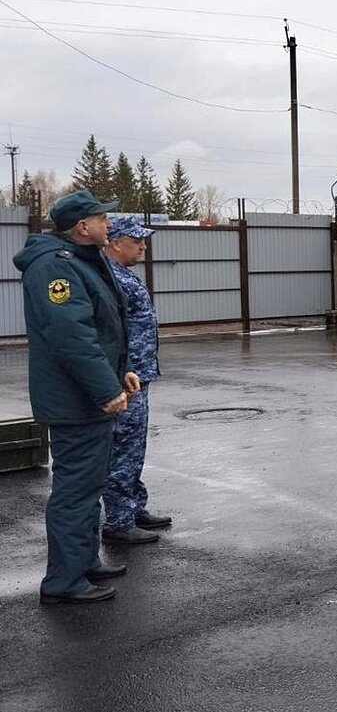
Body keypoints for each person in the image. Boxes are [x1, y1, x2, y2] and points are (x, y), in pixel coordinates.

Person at [13, 190, 139, 604]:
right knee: (74, 491)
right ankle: (63, 581)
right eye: (103, 219)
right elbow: (71, 336)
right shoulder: (54, 267)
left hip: (87, 395)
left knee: (89, 484)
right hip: (76, 401)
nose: (109, 225)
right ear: (82, 226)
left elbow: (99, 330)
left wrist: (121, 375)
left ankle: (84, 561)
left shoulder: (84, 260)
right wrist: (106, 389)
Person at [101, 217, 171, 546]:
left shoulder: (123, 275)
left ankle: (133, 507)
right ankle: (118, 521)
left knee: (134, 446)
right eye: (136, 240)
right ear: (115, 242)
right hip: (126, 378)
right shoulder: (110, 278)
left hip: (138, 374)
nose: (143, 246)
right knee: (123, 448)